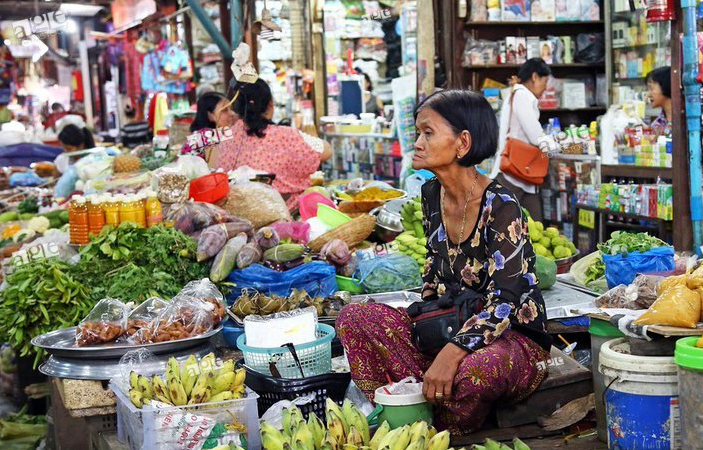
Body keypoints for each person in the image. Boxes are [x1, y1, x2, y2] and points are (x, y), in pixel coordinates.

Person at [336, 90, 551, 435]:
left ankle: (438, 433)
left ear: (462, 142)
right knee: (356, 317)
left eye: (428, 132)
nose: (418, 142)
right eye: (418, 133)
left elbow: (506, 303)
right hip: (453, 324)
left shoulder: (502, 204)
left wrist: (451, 354)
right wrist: (423, 330)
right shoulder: (431, 193)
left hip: (509, 339)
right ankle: (403, 412)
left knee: (475, 371)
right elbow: (434, 276)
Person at [208, 79, 332, 210]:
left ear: (237, 109)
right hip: (283, 220)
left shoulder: (223, 138)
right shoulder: (286, 136)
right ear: (270, 104)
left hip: (237, 219)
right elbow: (327, 151)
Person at [490, 58, 554, 223]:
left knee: (534, 228)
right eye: (545, 81)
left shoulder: (518, 95)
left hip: (522, 174)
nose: (546, 88)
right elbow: (535, 136)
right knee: (508, 228)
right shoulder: (522, 95)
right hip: (512, 174)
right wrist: (558, 145)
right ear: (534, 77)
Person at [645, 66, 672, 135]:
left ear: (665, 86)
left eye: (651, 89)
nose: (648, 95)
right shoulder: (657, 124)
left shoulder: (683, 121)